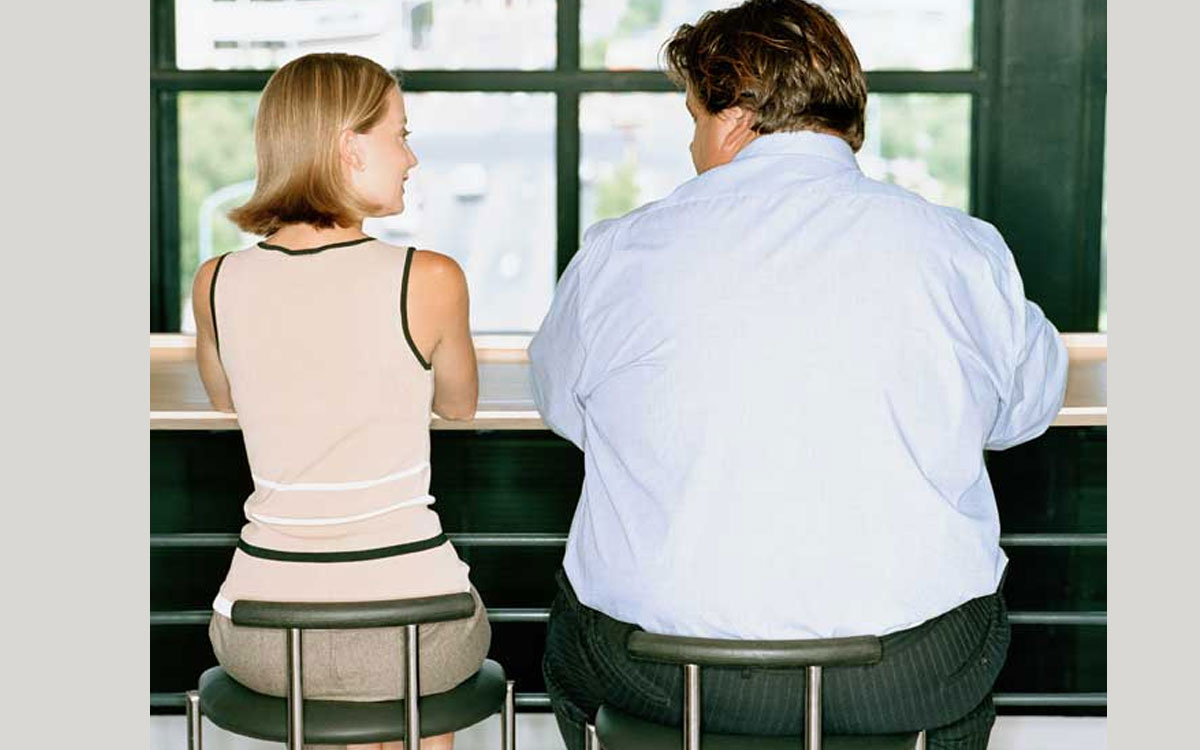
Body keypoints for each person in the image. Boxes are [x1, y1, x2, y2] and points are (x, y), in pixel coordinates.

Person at [529, 2, 1068, 748]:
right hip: (900, 671)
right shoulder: (960, 250)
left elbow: (564, 406)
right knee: (958, 668)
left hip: (661, 669)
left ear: (733, 119)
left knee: (573, 648)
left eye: (692, 117)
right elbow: (1025, 413)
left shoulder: (620, 251)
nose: (692, 142)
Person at [191, 53, 489, 750]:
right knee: (409, 670)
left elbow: (227, 397)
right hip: (418, 626)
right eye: (400, 134)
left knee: (350, 686)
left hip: (264, 632)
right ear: (350, 148)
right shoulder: (429, 277)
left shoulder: (214, 282)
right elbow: (459, 406)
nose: (411, 158)